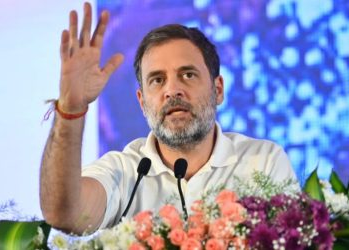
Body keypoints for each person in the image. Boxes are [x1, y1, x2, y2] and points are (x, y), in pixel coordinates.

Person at [40, 2, 298, 235]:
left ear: (217, 90)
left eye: (187, 75)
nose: (172, 90)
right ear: (142, 102)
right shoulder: (124, 171)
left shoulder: (263, 161)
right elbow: (64, 215)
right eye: (157, 80)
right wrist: (71, 109)